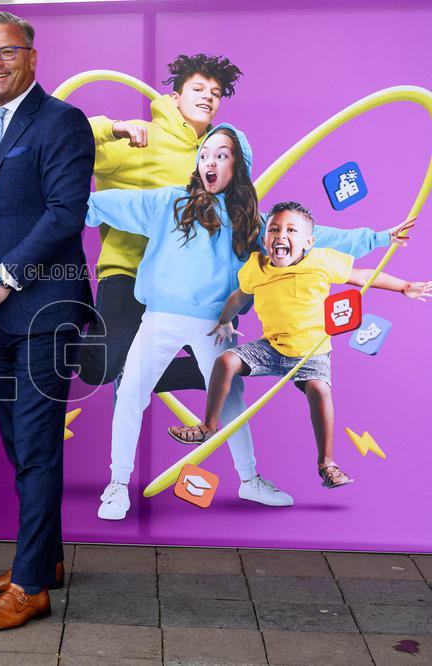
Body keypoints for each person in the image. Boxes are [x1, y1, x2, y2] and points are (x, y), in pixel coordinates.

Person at [86, 124, 394, 520]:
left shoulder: (253, 222)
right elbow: (103, 204)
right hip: (160, 316)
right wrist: (58, 202)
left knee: (232, 402)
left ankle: (249, 480)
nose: (210, 161)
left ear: (240, 165)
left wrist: (379, 238)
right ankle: (117, 485)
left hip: (214, 324)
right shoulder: (168, 203)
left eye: (222, 154)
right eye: (205, 154)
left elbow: (321, 237)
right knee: (130, 393)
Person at [0, 12, 94, 631]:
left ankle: (31, 585)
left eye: (7, 52)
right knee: (21, 446)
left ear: (32, 57)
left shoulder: (62, 122)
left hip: (43, 312)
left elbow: (64, 215)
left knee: (35, 449)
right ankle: (46, 559)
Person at [173, 202, 428, 487]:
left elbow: (363, 275)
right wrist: (224, 320)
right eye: (274, 229)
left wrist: (404, 286)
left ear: (309, 241)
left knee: (319, 390)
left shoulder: (322, 261)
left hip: (311, 353)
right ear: (265, 237)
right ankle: (208, 426)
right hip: (272, 348)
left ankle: (327, 464)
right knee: (225, 361)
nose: (281, 235)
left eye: (291, 230)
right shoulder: (256, 268)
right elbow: (239, 296)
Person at [77, 54, 246, 390]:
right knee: (99, 369)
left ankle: (136, 376)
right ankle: (57, 334)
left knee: (221, 365)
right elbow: (66, 140)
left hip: (185, 285)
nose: (207, 97)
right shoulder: (141, 138)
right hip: (129, 273)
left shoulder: (221, 155)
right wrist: (112, 128)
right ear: (175, 97)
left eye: (215, 93)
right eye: (198, 88)